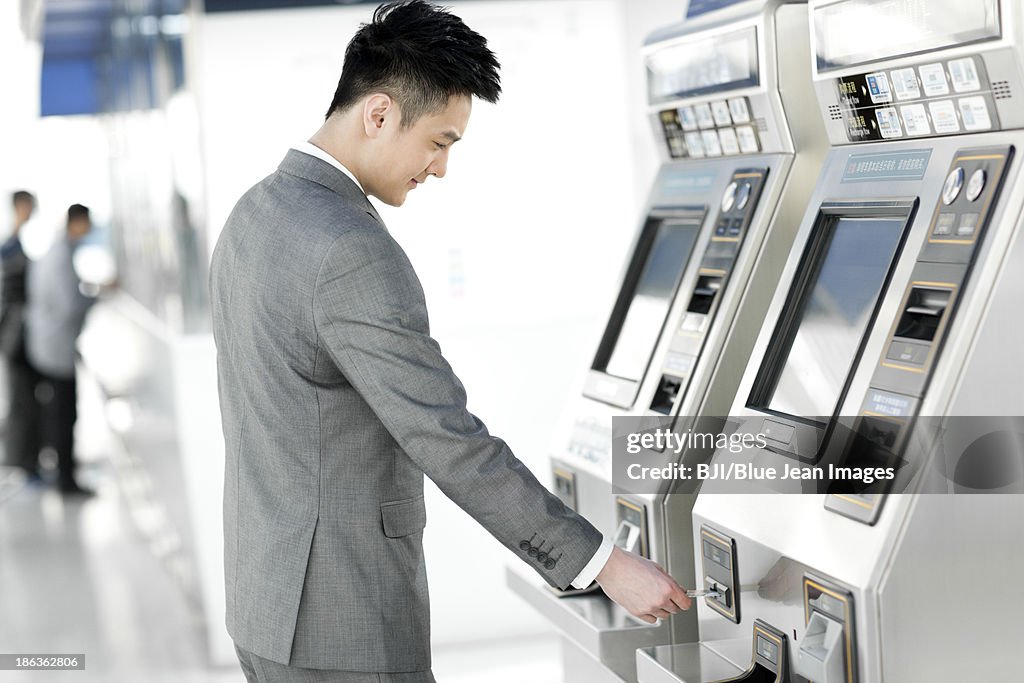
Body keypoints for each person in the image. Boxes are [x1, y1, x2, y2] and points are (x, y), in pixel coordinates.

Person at [209, 2, 691, 681]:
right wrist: (602, 563)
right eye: (439, 141)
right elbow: (445, 437)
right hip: (346, 623)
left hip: (265, 605)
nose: (439, 168)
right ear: (378, 114)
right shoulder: (351, 249)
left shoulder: (255, 212)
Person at [24, 203, 95, 496]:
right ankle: (66, 481)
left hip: (48, 345)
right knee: (64, 415)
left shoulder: (56, 252)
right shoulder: (61, 255)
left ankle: (63, 474)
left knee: (58, 413)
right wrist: (97, 296)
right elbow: (69, 306)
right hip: (56, 348)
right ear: (77, 222)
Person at [0, 190, 43, 479]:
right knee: (22, 399)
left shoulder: (15, 244)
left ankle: (25, 460)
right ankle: (22, 462)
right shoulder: (9, 247)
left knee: (24, 398)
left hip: (17, 334)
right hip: (14, 336)